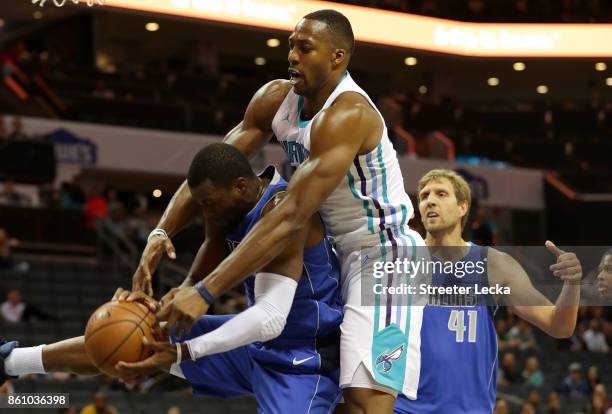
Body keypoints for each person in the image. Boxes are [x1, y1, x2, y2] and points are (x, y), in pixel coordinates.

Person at [132, 9, 426, 412]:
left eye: (305, 48)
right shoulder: (276, 98)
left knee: (365, 398)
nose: (292, 56)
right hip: (332, 252)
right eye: (291, 45)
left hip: (383, 256)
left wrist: (206, 291)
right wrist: (160, 233)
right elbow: (211, 170)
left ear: (337, 57)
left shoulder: (348, 114)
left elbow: (288, 216)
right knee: (332, 381)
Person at [1, 143, 343, 413]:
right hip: (257, 344)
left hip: (305, 355)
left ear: (240, 186)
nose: (205, 213)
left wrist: (184, 351)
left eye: (208, 203)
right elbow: (213, 245)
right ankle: (10, 361)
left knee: (165, 344)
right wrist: (182, 291)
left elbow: (270, 318)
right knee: (136, 337)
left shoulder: (284, 212)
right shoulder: (229, 206)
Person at [394, 169, 581, 413]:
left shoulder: (494, 265)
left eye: (441, 194)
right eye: (424, 196)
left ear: (462, 207)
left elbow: (560, 325)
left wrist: (572, 283)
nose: (430, 200)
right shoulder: (398, 261)